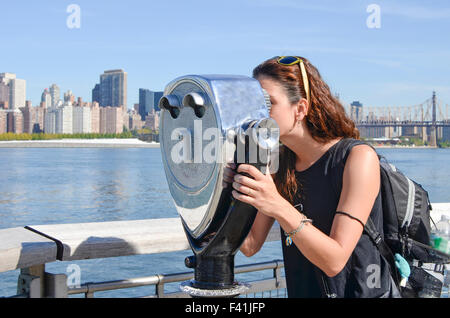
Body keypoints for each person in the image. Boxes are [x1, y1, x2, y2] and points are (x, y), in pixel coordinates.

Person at [223, 56, 399, 298]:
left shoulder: (357, 158)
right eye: (255, 105)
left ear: (301, 109)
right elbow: (250, 245)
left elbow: (334, 261)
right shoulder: (278, 164)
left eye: (268, 103)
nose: (258, 115)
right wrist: (223, 189)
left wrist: (277, 205)